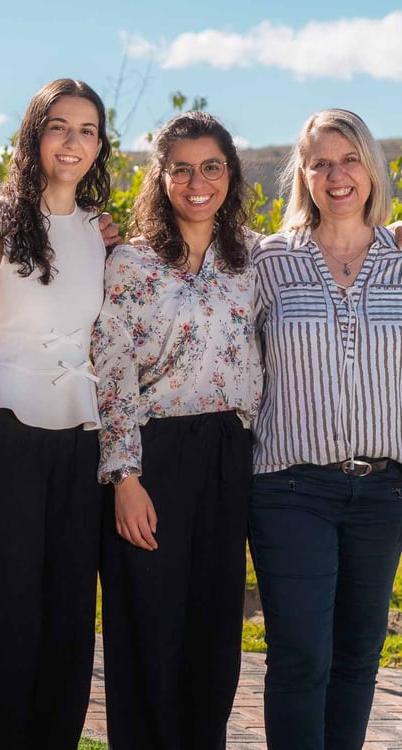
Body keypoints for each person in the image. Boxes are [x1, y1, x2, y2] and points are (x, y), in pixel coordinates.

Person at [0, 78, 111, 749]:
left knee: (69, 627)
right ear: (34, 134)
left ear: (101, 146)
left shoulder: (104, 231)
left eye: (88, 131)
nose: (73, 143)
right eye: (60, 127)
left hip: (80, 447)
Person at [92, 110, 262, 749]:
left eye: (212, 167)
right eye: (182, 169)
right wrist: (125, 478)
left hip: (228, 455)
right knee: (147, 629)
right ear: (160, 179)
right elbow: (110, 375)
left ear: (230, 174)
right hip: (150, 457)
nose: (198, 182)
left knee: (215, 633)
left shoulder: (252, 261)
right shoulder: (129, 264)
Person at [248, 108, 402, 750]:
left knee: (358, 655)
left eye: (349, 159)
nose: (337, 175)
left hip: (384, 491)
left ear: (372, 165)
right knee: (301, 654)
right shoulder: (265, 261)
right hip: (289, 489)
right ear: (302, 175)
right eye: (320, 162)